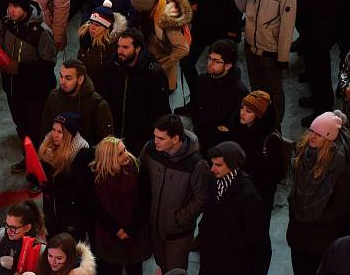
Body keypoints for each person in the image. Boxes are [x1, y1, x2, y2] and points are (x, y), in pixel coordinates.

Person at [234, 0, 297, 128]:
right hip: (250, 46)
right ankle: (258, 123)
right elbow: (241, 7)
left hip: (270, 51)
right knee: (256, 89)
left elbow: (287, 27)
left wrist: (282, 57)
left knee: (274, 92)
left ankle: (275, 126)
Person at [140, 114, 209, 273]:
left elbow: (201, 199)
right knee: (161, 263)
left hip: (179, 233)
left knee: (175, 270)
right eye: (155, 136)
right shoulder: (150, 150)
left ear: (176, 139)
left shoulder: (197, 165)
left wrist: (179, 219)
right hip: (155, 228)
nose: (155, 141)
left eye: (161, 138)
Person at [0, 0, 58, 161]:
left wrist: (19, 68)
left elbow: (48, 63)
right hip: (12, 88)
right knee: (21, 126)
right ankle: (29, 160)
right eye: (10, 6)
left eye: (16, 6)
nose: (11, 10)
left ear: (25, 8)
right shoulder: (5, 23)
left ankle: (39, 167)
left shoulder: (41, 31)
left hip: (34, 92)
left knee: (36, 129)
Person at [295, 0, 350, 125]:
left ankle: (321, 108)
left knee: (320, 72)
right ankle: (317, 99)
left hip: (316, 29)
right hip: (331, 28)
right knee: (318, 68)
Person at [288, 111, 350, 275]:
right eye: (312, 131)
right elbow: (294, 188)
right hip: (299, 232)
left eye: (319, 134)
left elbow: (341, 205)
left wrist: (318, 219)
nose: (312, 137)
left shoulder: (339, 166)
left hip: (321, 237)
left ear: (329, 139)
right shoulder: (302, 154)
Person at [226, 90, 281, 274]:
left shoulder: (270, 139)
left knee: (257, 240)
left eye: (249, 111)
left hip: (258, 198)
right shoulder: (238, 129)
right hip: (236, 193)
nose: (242, 112)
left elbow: (275, 174)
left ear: (259, 115)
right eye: (242, 108)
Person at [197, 141, 266, 275]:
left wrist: (229, 246)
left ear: (233, 164)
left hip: (231, 262)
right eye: (212, 164)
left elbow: (254, 235)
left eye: (218, 165)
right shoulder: (214, 180)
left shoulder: (248, 194)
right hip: (210, 256)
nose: (212, 169)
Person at [100, 28, 170, 155]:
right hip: (114, 135)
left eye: (125, 47)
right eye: (119, 46)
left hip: (139, 139)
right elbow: (104, 96)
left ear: (138, 48)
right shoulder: (113, 65)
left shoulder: (152, 73)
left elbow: (161, 110)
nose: (120, 51)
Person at [89, 136, 151, 275]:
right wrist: (115, 229)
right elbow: (96, 207)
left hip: (135, 232)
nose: (126, 154)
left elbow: (145, 201)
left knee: (135, 270)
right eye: (121, 153)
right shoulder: (98, 177)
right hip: (109, 234)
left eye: (125, 150)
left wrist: (130, 229)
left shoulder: (136, 167)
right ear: (109, 158)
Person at [31, 113, 95, 241]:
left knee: (70, 250)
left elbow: (80, 191)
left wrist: (53, 191)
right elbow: (44, 177)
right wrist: (35, 176)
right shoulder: (48, 147)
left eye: (60, 132)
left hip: (72, 215)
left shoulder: (82, 154)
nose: (54, 134)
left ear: (69, 134)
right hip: (51, 210)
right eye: (53, 129)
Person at [187, 39, 248, 154]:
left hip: (222, 147)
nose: (209, 64)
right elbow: (196, 106)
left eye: (216, 61)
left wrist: (225, 132)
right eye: (209, 58)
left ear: (228, 65)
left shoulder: (239, 92)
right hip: (201, 139)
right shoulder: (201, 80)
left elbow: (240, 125)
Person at [129, 0, 191, 91]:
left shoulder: (167, 20)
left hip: (162, 74)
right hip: (151, 61)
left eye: (139, 8)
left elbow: (183, 49)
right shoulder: (151, 10)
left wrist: (161, 65)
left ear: (148, 7)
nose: (136, 10)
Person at [42, 60, 114, 144]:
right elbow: (45, 130)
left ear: (80, 79)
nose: (62, 82)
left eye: (68, 78)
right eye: (61, 76)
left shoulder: (98, 104)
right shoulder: (53, 97)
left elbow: (106, 144)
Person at [0, 200, 46, 275]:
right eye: (7, 225)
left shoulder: (38, 249)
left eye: (13, 228)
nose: (8, 231)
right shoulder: (1, 234)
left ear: (27, 228)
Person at [76, 1, 128, 92]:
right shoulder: (85, 38)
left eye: (97, 25)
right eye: (91, 23)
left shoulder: (111, 46)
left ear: (106, 28)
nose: (92, 27)